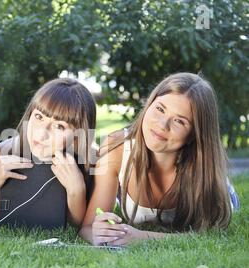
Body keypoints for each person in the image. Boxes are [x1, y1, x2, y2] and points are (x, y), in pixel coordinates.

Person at [79, 72, 240, 246]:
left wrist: (140, 237)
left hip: (224, 193)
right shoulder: (116, 147)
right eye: (160, 109)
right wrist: (99, 232)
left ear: (195, 134)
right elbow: (88, 227)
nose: (162, 125)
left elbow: (211, 235)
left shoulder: (204, 167)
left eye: (179, 121)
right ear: (149, 104)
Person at [0, 78, 96, 230]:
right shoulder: (3, 153)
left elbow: (74, 230)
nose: (41, 134)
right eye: (39, 117)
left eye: (59, 126)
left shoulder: (91, 164)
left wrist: (77, 190)